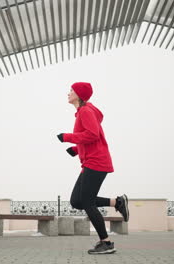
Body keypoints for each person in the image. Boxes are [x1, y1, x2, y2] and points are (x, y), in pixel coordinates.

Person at [57, 82, 129, 255]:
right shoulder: (83, 112)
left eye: (71, 91)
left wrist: (67, 137)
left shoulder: (86, 111)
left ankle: (106, 242)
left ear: (79, 94)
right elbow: (90, 137)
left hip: (96, 162)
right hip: (91, 161)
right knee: (77, 201)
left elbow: (92, 134)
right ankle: (117, 202)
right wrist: (76, 149)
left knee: (87, 202)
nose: (68, 93)